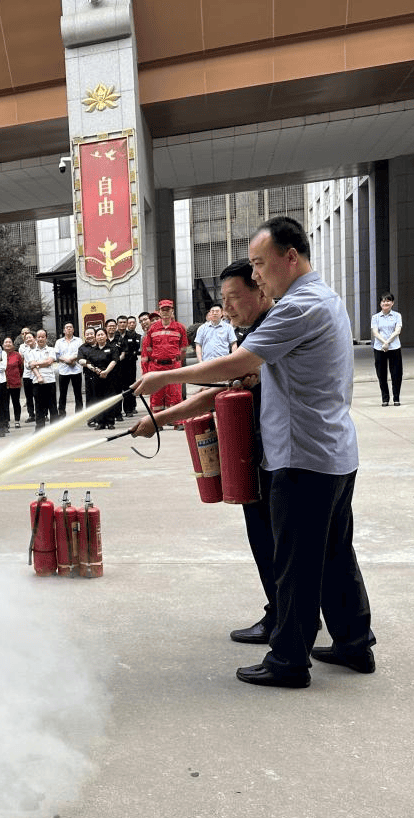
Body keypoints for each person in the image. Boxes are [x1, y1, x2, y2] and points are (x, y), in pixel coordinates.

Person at [134, 216, 375, 689]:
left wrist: (166, 377)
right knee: (332, 555)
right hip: (332, 452)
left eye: (261, 264)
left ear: (292, 256)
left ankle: (289, 661)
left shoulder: (297, 306)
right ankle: (352, 642)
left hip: (302, 454)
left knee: (297, 563)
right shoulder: (323, 299)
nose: (258, 274)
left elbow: (242, 364)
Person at [133, 260, 277, 645]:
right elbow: (221, 392)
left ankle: (286, 619)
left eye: (232, 299)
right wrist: (161, 419)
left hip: (281, 456)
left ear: (260, 289)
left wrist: (165, 382)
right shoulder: (255, 331)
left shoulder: (272, 328)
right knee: (268, 539)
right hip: (262, 451)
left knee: (273, 541)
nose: (226, 309)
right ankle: (287, 612)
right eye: (222, 301)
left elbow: (223, 381)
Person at [141, 300, 189, 414]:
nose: (166, 312)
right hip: (156, 367)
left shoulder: (180, 328)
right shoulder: (153, 329)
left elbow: (183, 348)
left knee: (175, 395)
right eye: (163, 309)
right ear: (160, 312)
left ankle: (177, 421)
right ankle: (158, 422)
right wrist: (146, 372)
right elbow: (146, 352)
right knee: (156, 396)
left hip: (173, 366)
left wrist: (177, 362)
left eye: (168, 309)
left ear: (172, 311)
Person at [79, 326, 118, 428]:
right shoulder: (93, 350)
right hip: (96, 378)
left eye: (102, 334)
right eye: (98, 335)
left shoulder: (112, 348)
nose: (100, 337)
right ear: (96, 337)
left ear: (106, 336)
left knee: (109, 399)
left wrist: (106, 371)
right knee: (98, 400)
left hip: (109, 377)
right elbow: (87, 362)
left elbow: (114, 361)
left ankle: (110, 422)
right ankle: (100, 422)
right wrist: (96, 370)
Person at [370, 292, 403, 406]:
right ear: (380, 304)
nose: (386, 303)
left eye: (388, 301)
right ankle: (385, 398)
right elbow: (375, 332)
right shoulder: (375, 317)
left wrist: (387, 342)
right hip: (379, 348)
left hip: (394, 347)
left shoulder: (397, 316)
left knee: (396, 374)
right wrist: (384, 343)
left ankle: (396, 398)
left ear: (392, 303)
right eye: (383, 301)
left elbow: (397, 331)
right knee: (381, 374)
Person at [26, 329, 58, 429]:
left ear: (46, 338)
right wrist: (39, 376)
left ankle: (54, 428)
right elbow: (32, 366)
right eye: (38, 337)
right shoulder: (31, 352)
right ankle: (40, 428)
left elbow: (49, 362)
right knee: (39, 406)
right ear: (35, 338)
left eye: (42, 337)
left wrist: (36, 363)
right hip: (37, 381)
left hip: (50, 381)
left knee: (52, 405)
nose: (40, 339)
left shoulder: (51, 350)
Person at [54, 322, 84, 415]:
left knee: (78, 393)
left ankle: (79, 413)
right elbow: (56, 355)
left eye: (71, 327)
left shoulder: (79, 340)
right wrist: (66, 360)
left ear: (73, 330)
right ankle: (62, 413)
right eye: (67, 327)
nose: (69, 329)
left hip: (76, 369)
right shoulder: (59, 342)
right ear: (64, 330)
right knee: (63, 393)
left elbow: (81, 353)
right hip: (64, 371)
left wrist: (72, 359)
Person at [2, 336, 24, 428]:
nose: (8, 344)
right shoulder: (0, 354)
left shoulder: (17, 355)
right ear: (3, 345)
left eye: (9, 342)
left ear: (12, 344)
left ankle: (17, 420)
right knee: (5, 403)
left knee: (16, 401)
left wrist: (18, 377)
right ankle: (6, 421)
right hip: (4, 383)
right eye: (6, 342)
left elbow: (21, 368)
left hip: (15, 382)